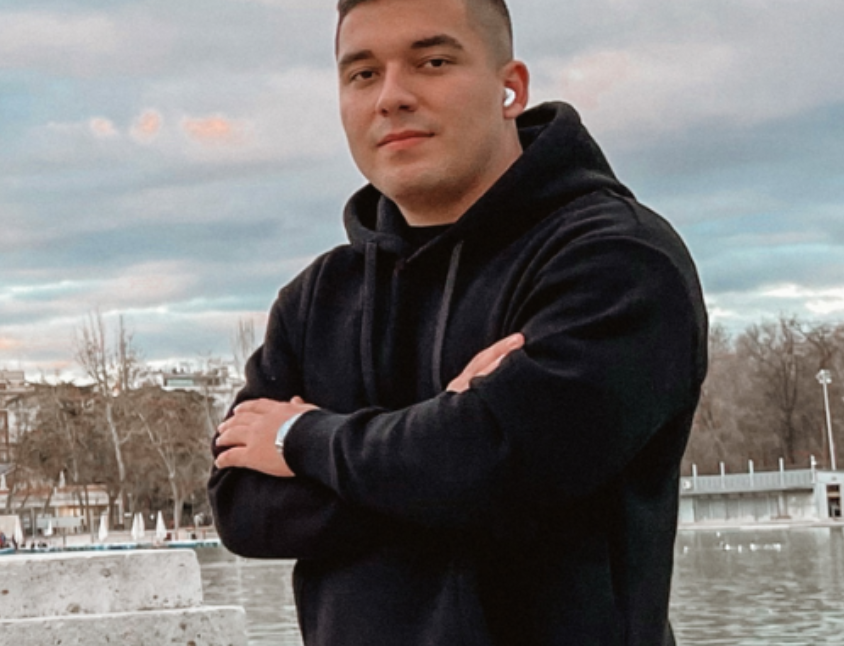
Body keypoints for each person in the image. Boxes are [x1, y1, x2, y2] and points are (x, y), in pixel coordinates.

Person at [209, 0, 708, 643]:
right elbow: (242, 509)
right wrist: (438, 446)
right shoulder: (317, 298)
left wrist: (300, 440)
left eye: (433, 62)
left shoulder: (617, 260)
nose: (391, 96)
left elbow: (502, 461)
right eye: (363, 74)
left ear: (511, 88)